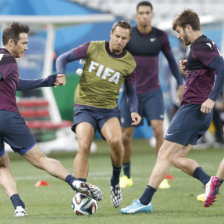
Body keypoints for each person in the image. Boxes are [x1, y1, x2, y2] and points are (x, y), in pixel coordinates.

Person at [120, 9, 224, 214]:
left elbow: (221, 68)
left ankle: (144, 201)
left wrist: (212, 98)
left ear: (187, 27)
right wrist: (190, 67)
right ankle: (208, 180)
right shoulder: (205, 44)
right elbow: (208, 70)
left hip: (193, 108)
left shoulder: (200, 45)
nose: (177, 36)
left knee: (164, 154)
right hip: (199, 113)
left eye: (178, 31)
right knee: (176, 158)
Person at [0, 22, 102, 217]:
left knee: (2, 165)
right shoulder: (7, 59)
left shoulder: (5, 60)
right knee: (40, 159)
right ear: (11, 42)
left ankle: (19, 206)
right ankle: (74, 181)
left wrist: (47, 81)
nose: (27, 47)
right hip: (7, 116)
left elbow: (16, 84)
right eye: (24, 43)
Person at [56, 20, 141, 208]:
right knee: (84, 144)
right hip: (84, 107)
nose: (119, 40)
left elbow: (131, 91)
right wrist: (61, 73)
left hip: (108, 110)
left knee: (117, 141)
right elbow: (62, 58)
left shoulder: (129, 62)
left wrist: (134, 110)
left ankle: (115, 182)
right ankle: (82, 192)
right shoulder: (92, 47)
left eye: (124, 38)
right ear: (111, 33)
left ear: (128, 40)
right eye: (117, 36)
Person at [119, 1, 184, 189]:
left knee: (158, 130)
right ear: (136, 15)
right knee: (125, 136)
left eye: (148, 12)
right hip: (131, 94)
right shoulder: (128, 36)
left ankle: (160, 176)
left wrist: (180, 83)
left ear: (152, 15)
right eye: (141, 13)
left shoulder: (160, 36)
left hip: (153, 92)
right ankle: (126, 175)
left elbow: (172, 61)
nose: (144, 15)